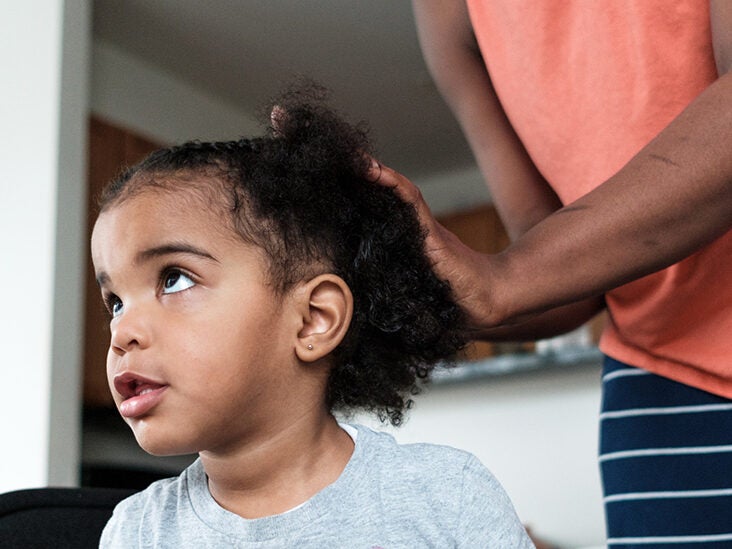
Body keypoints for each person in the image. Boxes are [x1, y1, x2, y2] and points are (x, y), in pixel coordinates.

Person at [92, 86, 534, 548]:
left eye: (175, 279)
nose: (122, 332)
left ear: (313, 319)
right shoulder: (135, 532)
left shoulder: (447, 497)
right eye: (115, 302)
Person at [371, 1, 732, 545]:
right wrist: (404, 305)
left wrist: (504, 280)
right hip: (655, 381)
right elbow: (555, 268)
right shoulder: (447, 11)